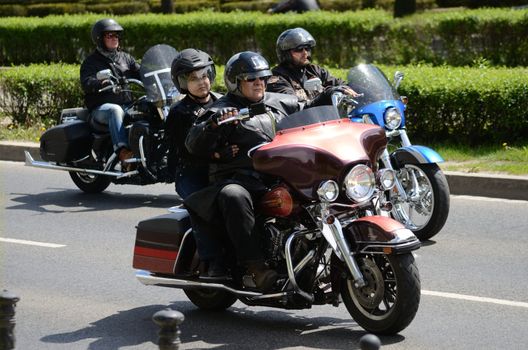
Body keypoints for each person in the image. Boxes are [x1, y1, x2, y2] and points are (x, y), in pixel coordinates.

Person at [183, 51, 306, 292]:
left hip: (277, 176)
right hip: (239, 179)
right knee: (233, 195)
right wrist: (212, 125)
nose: (259, 82)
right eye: (251, 78)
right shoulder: (222, 109)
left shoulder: (278, 101)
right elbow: (193, 143)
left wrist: (330, 95)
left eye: (262, 78)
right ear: (236, 83)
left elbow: (308, 108)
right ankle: (256, 268)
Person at [80, 18, 140, 170]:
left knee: (148, 108)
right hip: (101, 109)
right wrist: (101, 82)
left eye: (116, 35)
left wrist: (154, 75)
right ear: (100, 39)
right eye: (109, 36)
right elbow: (86, 82)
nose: (114, 39)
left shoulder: (125, 58)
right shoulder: (91, 62)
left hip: (127, 104)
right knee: (115, 110)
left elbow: (140, 71)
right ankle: (123, 153)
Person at [165, 48, 223, 199]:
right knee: (204, 206)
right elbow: (186, 149)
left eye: (204, 76)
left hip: (222, 168)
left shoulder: (222, 101)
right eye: (193, 78)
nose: (201, 82)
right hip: (192, 172)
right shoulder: (179, 112)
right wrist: (216, 154)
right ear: (182, 83)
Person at [267, 27, 358, 103]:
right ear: (285, 53)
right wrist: (327, 94)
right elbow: (294, 104)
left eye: (307, 48)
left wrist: (346, 88)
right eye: (299, 49)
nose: (305, 53)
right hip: (300, 123)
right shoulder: (276, 78)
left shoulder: (314, 70)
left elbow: (339, 84)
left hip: (327, 119)